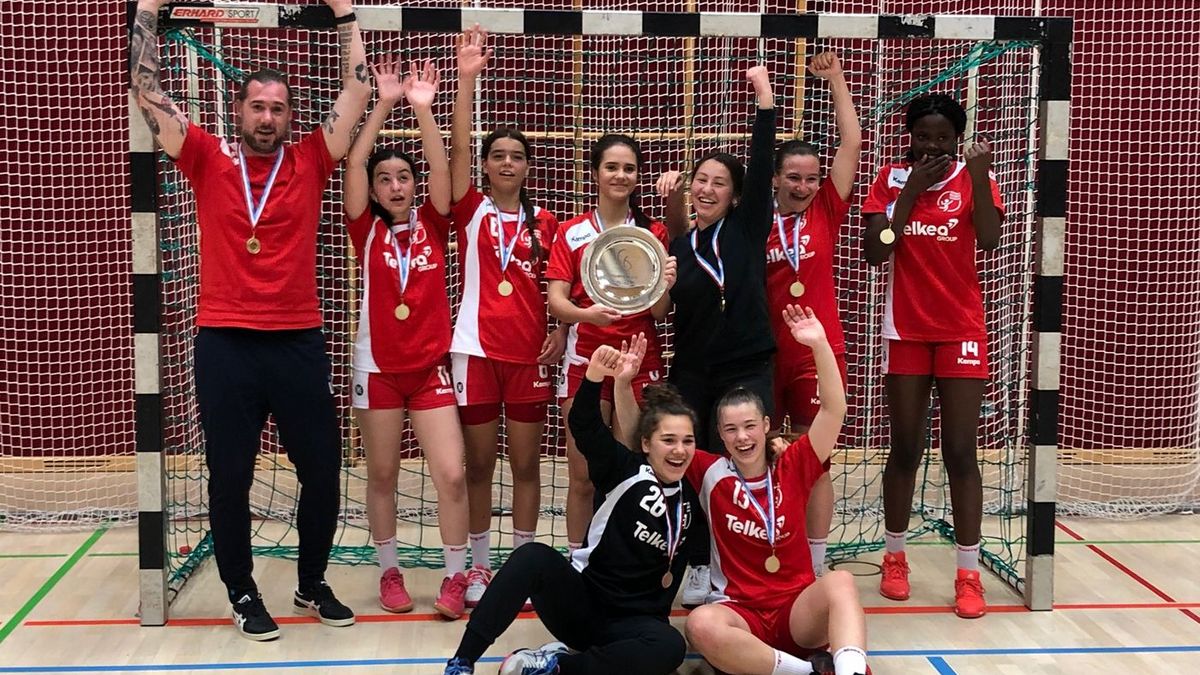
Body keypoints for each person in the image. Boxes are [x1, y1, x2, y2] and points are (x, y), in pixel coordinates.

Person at [129, 0, 369, 640]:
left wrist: (345, 13)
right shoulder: (206, 155)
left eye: (278, 109)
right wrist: (147, 9)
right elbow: (146, 88)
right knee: (230, 476)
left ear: (291, 116)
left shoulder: (312, 159)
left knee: (322, 470)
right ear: (238, 111)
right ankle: (241, 591)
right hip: (226, 343)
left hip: (297, 342)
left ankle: (311, 582)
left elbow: (357, 90)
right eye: (257, 107)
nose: (267, 118)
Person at [614, 309, 869, 675]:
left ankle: (851, 671)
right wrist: (623, 385)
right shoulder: (708, 471)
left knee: (840, 582)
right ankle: (804, 672)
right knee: (699, 624)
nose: (742, 437)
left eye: (749, 426)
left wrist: (819, 345)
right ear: (720, 434)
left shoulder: (794, 462)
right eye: (731, 429)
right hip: (740, 614)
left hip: (796, 611)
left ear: (766, 425)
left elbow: (834, 410)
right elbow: (642, 442)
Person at [443, 341, 702, 675]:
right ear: (646, 443)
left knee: (671, 647)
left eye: (687, 441)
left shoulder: (691, 497)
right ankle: (462, 661)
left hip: (635, 626)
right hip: (583, 607)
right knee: (532, 556)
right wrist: (594, 377)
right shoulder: (623, 469)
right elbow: (584, 424)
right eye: (668, 440)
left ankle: (556, 667)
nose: (679, 450)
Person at [860, 93, 1004, 619]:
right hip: (906, 331)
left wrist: (981, 179)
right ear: (911, 138)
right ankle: (894, 559)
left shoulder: (974, 178)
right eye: (924, 136)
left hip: (961, 329)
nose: (933, 146)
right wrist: (909, 194)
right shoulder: (891, 179)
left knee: (961, 452)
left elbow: (989, 240)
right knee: (905, 448)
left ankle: (969, 573)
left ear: (957, 140)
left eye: (944, 138)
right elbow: (877, 250)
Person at [343, 58, 472, 619]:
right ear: (374, 189)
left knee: (452, 474)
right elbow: (353, 160)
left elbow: (443, 168)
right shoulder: (364, 228)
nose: (395, 186)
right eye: (385, 179)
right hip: (376, 369)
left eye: (403, 178)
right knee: (383, 475)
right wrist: (384, 103)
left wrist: (422, 109)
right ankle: (389, 571)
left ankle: (455, 576)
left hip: (428, 371)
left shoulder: (434, 223)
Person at [448, 26, 566, 608]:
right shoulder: (469, 208)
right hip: (473, 351)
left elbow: (566, 286)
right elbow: (456, 151)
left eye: (517, 156)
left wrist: (563, 328)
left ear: (527, 167)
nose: (507, 163)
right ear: (487, 165)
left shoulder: (548, 223)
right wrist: (467, 80)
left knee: (525, 466)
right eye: (498, 156)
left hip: (528, 356)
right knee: (477, 465)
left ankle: (521, 570)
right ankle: (477, 568)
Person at [655, 65, 776, 607]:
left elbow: (764, 160)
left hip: (747, 365)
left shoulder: (748, 228)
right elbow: (663, 312)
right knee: (697, 467)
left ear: (735, 195)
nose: (707, 188)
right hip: (694, 372)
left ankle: (757, 562)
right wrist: (663, 282)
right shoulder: (679, 248)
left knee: (750, 460)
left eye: (719, 182)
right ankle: (701, 565)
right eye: (700, 180)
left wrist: (764, 100)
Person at [547, 133, 676, 555]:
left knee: (633, 473)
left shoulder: (652, 233)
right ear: (595, 174)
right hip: (586, 360)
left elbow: (660, 312)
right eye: (612, 167)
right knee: (582, 475)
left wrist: (665, 283)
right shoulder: (571, 232)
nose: (621, 175)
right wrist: (589, 316)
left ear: (637, 177)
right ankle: (575, 562)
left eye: (629, 168)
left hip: (638, 361)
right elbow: (556, 301)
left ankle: (624, 560)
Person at [764, 52, 861, 577]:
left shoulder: (826, 208)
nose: (802, 186)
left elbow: (851, 144)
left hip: (815, 356)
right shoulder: (755, 219)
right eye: (793, 177)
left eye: (810, 178)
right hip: (765, 354)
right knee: (756, 455)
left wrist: (837, 81)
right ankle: (764, 554)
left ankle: (816, 567)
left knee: (815, 457)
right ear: (776, 178)